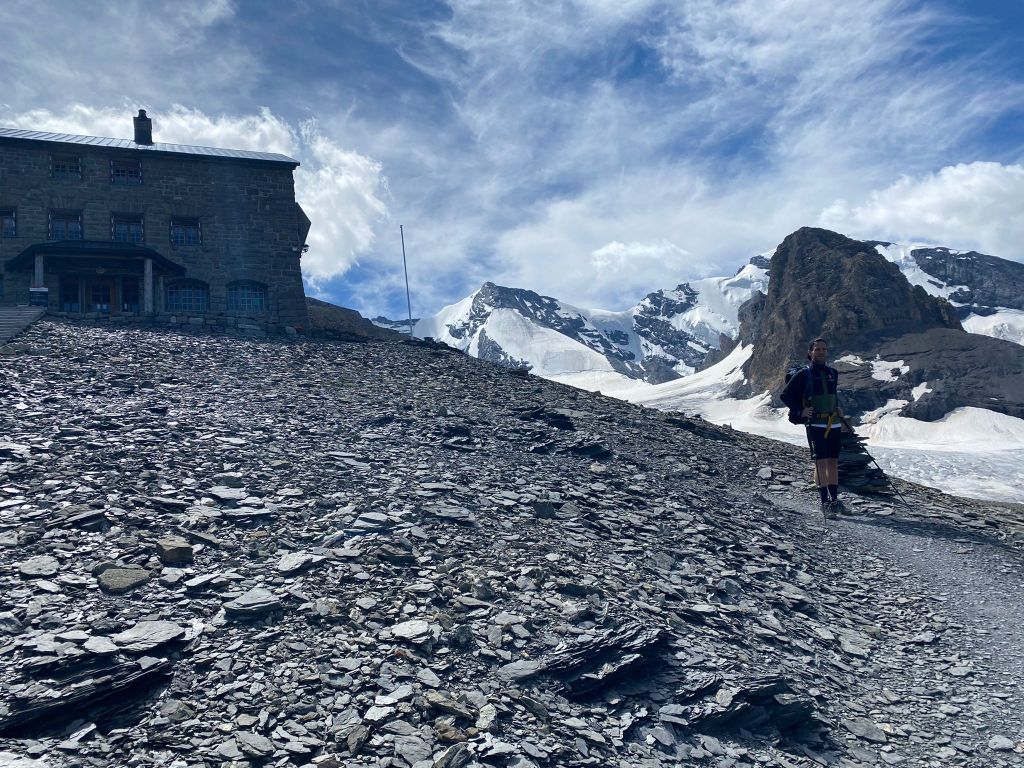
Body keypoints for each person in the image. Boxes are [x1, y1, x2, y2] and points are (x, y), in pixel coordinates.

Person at [781, 338, 844, 515]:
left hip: (833, 422)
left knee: (833, 461)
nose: (821, 352)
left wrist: (837, 408)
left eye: (824, 349)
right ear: (810, 353)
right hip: (815, 423)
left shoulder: (833, 373)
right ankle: (825, 502)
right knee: (821, 462)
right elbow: (785, 395)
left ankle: (834, 501)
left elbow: (832, 394)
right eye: (817, 349)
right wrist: (800, 411)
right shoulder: (804, 374)